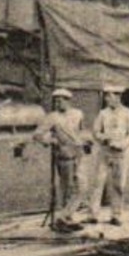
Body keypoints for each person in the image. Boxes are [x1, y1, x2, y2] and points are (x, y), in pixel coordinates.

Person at [89, 85, 129, 224]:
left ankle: (116, 215)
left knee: (118, 185)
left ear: (117, 97)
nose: (107, 99)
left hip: (120, 153)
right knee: (98, 182)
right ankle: (93, 214)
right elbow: (95, 131)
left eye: (109, 96)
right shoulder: (103, 114)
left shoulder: (128, 113)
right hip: (104, 152)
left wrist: (122, 144)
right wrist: (102, 138)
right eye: (106, 96)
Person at [34, 87, 85, 222]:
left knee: (82, 187)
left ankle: (66, 214)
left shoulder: (78, 114)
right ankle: (66, 217)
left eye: (61, 101)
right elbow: (37, 135)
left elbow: (80, 132)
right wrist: (51, 140)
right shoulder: (52, 117)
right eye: (56, 101)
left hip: (78, 154)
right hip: (64, 156)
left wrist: (83, 141)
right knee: (67, 188)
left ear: (68, 101)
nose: (58, 104)